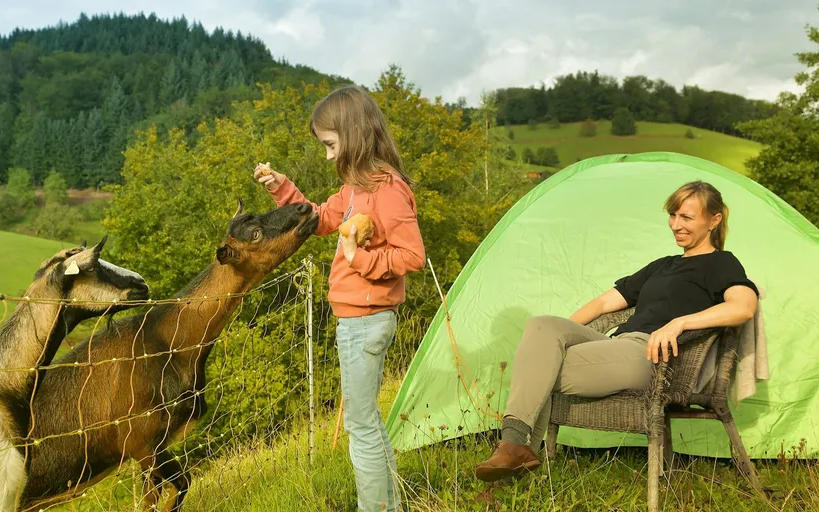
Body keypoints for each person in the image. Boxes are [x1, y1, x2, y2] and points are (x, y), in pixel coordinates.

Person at [472, 180, 760, 483]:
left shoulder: (720, 263)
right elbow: (605, 302)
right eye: (673, 216)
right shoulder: (662, 266)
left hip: (649, 356)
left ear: (713, 220)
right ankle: (515, 448)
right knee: (541, 325)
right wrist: (553, 341)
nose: (676, 225)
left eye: (686, 217)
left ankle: (510, 457)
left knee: (538, 370)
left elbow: (743, 306)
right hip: (613, 345)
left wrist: (680, 323)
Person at [254, 84, 425, 511]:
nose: (328, 155)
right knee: (367, 422)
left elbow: (413, 255)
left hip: (366, 321)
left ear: (354, 134)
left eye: (330, 145)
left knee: (360, 427)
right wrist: (282, 188)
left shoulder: (387, 189)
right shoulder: (355, 188)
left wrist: (359, 260)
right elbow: (321, 218)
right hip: (357, 320)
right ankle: (390, 506)